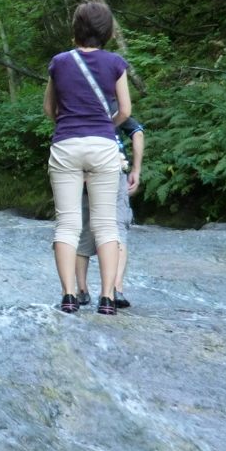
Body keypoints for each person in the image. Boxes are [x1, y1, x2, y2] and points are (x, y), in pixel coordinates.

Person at [43, 2, 131, 315]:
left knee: (67, 225)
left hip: (66, 144)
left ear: (76, 29)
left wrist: (69, 125)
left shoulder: (59, 62)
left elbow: (49, 109)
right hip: (103, 146)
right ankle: (107, 298)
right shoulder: (115, 63)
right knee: (107, 226)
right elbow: (126, 111)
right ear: (106, 31)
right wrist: (106, 126)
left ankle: (69, 295)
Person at [75, 117, 145, 309]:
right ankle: (114, 289)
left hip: (84, 174)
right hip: (114, 171)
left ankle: (81, 291)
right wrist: (136, 170)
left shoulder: (74, 108)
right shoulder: (115, 109)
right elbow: (137, 133)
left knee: (83, 231)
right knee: (117, 229)